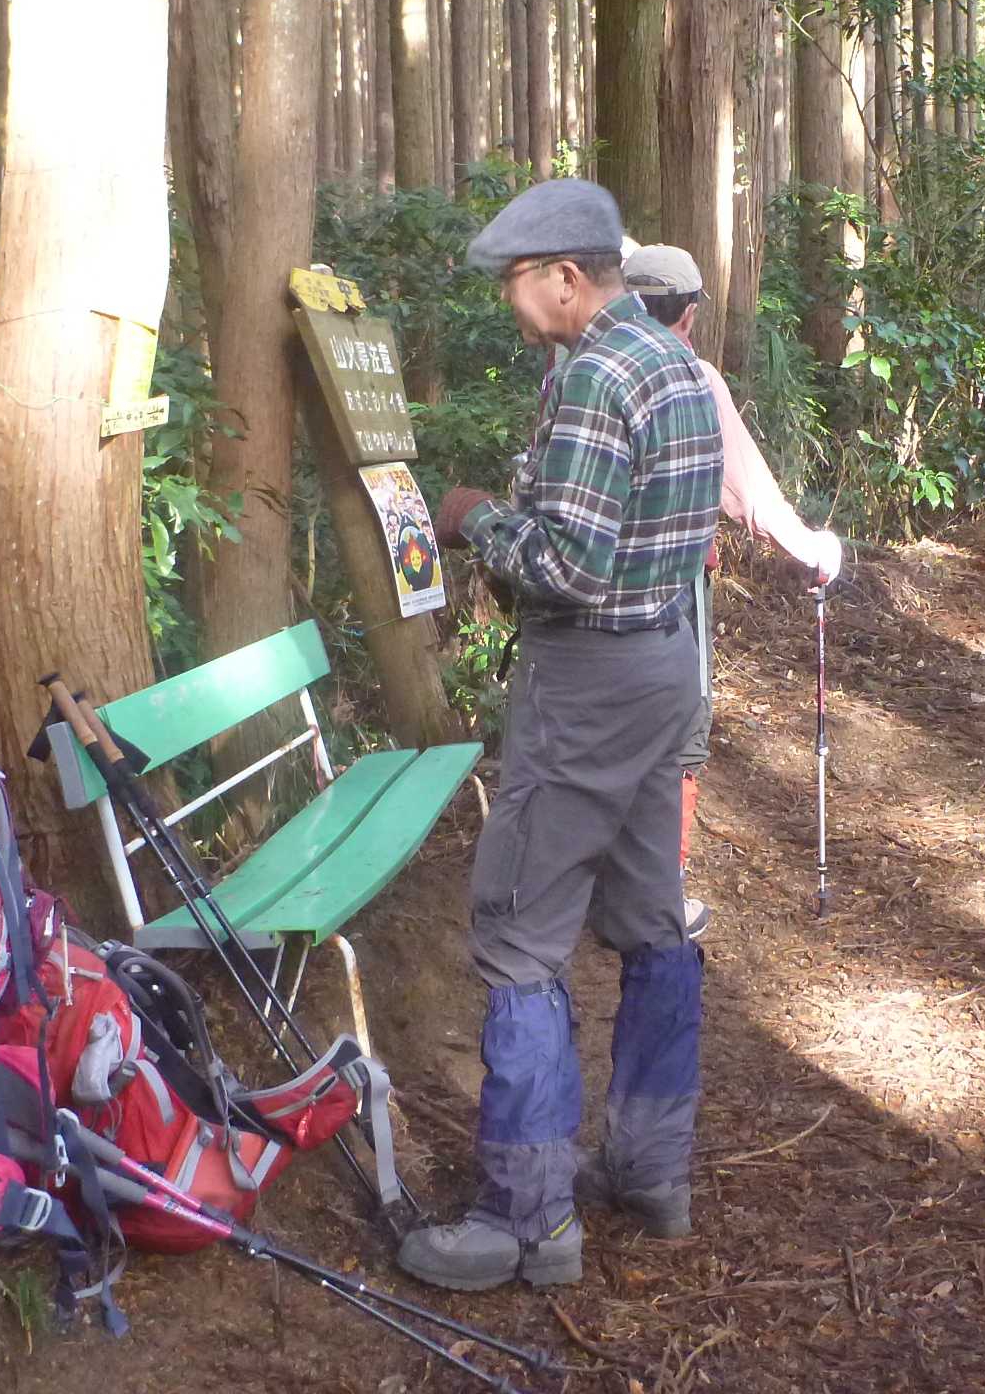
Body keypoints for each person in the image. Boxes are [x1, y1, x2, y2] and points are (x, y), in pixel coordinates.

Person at [400, 179, 723, 1293]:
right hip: (665, 670)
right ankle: (650, 1166)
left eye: (516, 282)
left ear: (569, 277)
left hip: (586, 683)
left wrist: (474, 514)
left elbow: (569, 562)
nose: (511, 302)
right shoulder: (680, 363)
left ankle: (525, 1218)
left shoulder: (594, 376)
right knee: (649, 916)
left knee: (519, 937)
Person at [620, 243, 843, 939]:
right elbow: (754, 497)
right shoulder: (693, 377)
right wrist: (815, 552)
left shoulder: (581, 369)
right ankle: (658, 895)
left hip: (579, 594)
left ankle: (594, 881)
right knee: (678, 734)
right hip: (667, 591)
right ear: (687, 316)